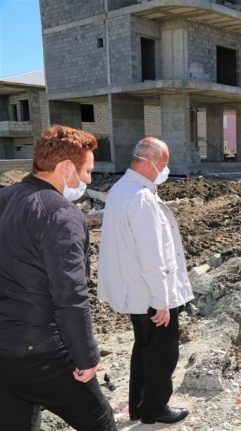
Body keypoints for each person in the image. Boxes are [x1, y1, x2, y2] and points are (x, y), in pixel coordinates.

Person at [0, 125, 116, 431]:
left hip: (5, 353)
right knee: (101, 423)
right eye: (87, 172)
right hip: (43, 353)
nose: (90, 180)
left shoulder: (6, 198)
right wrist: (86, 357)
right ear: (66, 168)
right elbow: (70, 295)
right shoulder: (60, 215)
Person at [97, 137, 194, 425]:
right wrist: (162, 301)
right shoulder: (142, 199)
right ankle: (154, 408)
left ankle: (139, 406)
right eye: (164, 164)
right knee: (162, 355)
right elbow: (153, 257)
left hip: (135, 293)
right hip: (150, 295)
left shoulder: (120, 190)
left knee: (143, 349)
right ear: (150, 162)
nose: (165, 169)